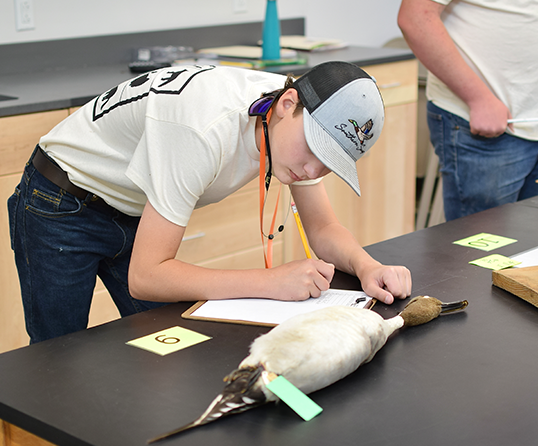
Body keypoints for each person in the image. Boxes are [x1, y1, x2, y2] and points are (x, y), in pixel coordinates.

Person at [8, 61, 412, 344]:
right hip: (61, 200)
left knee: (168, 344)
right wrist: (271, 282)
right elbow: (147, 275)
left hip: (134, 204)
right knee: (59, 360)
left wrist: (367, 266)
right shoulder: (202, 130)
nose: (312, 171)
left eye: (330, 163)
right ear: (287, 105)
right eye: (314, 151)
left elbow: (322, 228)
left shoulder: (291, 126)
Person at [398, 0, 538, 221]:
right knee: (484, 245)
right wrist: (479, 99)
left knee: (529, 246)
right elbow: (415, 19)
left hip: (530, 114)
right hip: (487, 125)